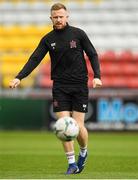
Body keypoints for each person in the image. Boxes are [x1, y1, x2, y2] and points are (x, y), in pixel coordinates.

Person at [9, 3, 102, 175]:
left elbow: (92, 54)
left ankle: (83, 152)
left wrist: (97, 75)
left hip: (79, 85)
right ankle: (72, 163)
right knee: (64, 125)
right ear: (51, 18)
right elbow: (34, 59)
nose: (58, 19)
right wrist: (18, 77)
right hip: (59, 86)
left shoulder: (78, 34)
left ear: (67, 16)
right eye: (55, 17)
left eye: (61, 16)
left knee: (78, 126)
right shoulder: (47, 39)